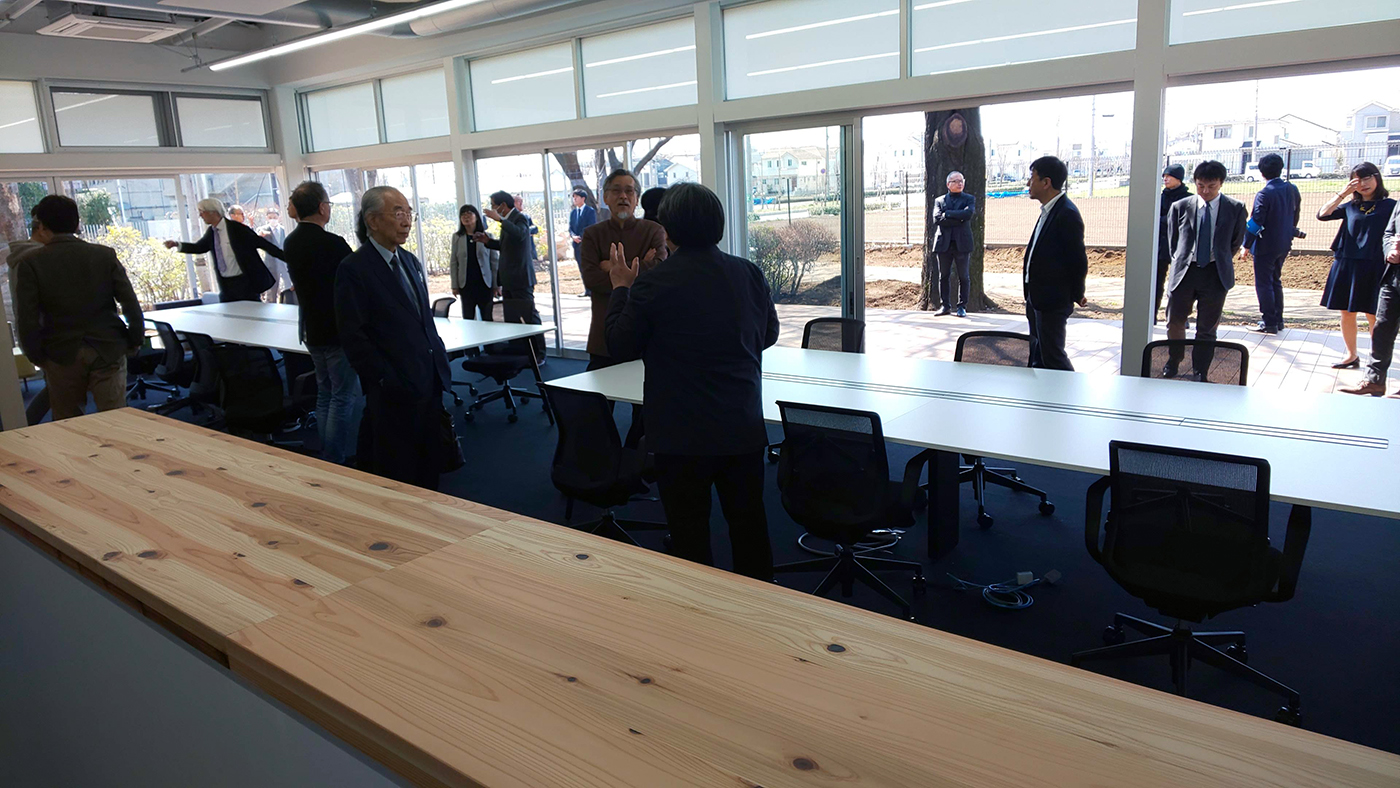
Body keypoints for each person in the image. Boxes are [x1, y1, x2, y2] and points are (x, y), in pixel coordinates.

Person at [604, 182, 778, 581]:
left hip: (680, 434)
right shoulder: (748, 272)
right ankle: (764, 605)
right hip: (741, 424)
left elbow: (619, 345)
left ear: (668, 229)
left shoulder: (653, 283)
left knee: (689, 533)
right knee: (750, 527)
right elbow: (768, 333)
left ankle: (699, 611)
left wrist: (620, 288)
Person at [334, 186, 451, 490]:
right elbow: (353, 335)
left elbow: (422, 321)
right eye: (398, 212)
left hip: (428, 379)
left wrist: (437, 359)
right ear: (372, 221)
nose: (406, 221)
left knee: (429, 465)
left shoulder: (410, 261)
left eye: (409, 213)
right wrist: (384, 378)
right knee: (398, 470)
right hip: (393, 389)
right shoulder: (354, 269)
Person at [12, 195, 144, 420]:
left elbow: (27, 316)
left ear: (42, 225)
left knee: (69, 421)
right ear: (76, 224)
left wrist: (35, 354)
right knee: (116, 418)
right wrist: (135, 338)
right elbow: (129, 301)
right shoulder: (104, 255)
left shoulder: (30, 262)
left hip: (60, 351)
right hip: (108, 346)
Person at [282, 181, 360, 464]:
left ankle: (328, 455)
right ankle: (335, 458)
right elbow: (357, 278)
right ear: (322, 207)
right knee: (342, 396)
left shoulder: (290, 242)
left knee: (325, 393)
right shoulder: (333, 243)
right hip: (337, 328)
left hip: (311, 328)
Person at [1162, 160, 1248, 378]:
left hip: (1215, 273)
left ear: (1221, 184)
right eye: (1201, 186)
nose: (1205, 191)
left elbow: (1235, 241)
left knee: (1207, 328)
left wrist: (1218, 258)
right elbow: (1174, 242)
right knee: (1175, 321)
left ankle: (1201, 370)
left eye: (1211, 186)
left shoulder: (1235, 208)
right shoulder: (1180, 207)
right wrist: (1182, 260)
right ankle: (1174, 360)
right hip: (1185, 272)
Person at [579, 168, 667, 370]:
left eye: (629, 191)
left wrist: (612, 268)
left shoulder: (654, 230)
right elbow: (591, 280)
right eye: (616, 190)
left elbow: (659, 276)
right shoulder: (593, 234)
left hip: (646, 334)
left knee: (646, 390)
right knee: (598, 390)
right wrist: (641, 264)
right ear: (605, 197)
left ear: (637, 199)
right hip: (603, 334)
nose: (623, 196)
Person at [1316, 162, 1394, 370]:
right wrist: (1343, 194)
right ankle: (1351, 356)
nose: (1363, 184)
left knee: (1374, 314)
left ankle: (1377, 359)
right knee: (1347, 312)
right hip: (1347, 263)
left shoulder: (1391, 206)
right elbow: (1322, 214)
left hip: (1376, 265)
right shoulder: (1350, 206)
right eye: (1357, 180)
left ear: (1377, 178)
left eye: (1367, 178)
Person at [1022, 156, 1088, 371]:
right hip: (1036, 297)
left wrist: (1077, 292)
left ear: (1046, 182)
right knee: (1038, 357)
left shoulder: (1066, 214)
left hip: (1052, 299)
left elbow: (1077, 259)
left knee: (1053, 357)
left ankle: (1070, 391)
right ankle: (1040, 392)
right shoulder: (1048, 210)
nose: (1028, 183)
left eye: (1032, 178)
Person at [164, 198, 281, 302]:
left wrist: (286, 257)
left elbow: (262, 244)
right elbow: (199, 247)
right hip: (226, 285)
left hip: (245, 283)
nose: (200, 216)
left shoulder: (237, 229)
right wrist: (177, 244)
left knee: (253, 314)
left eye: (202, 212)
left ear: (213, 212)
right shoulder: (212, 232)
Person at [1341, 199, 1400, 397]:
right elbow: (1389, 233)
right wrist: (1390, 251)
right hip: (1393, 278)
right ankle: (1374, 381)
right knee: (1382, 329)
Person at [479, 192, 545, 358]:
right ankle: (520, 352)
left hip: (521, 278)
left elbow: (521, 234)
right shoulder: (508, 222)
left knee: (529, 316)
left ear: (503, 205)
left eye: (494, 205)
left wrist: (500, 220)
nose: (493, 209)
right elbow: (506, 246)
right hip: (508, 278)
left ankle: (539, 353)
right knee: (512, 318)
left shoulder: (519, 218)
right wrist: (488, 242)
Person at [1242, 153, 1302, 334]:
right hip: (1284, 243)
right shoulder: (1292, 188)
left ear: (1261, 172)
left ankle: (1269, 322)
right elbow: (1296, 213)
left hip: (1265, 245)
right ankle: (1278, 320)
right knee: (1276, 280)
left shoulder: (1264, 194)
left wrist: (1246, 244)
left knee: (1264, 283)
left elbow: (1256, 221)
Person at [931, 171, 975, 317]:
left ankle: (962, 306)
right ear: (948, 184)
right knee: (943, 275)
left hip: (962, 243)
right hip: (944, 243)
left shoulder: (969, 199)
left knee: (964, 276)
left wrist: (948, 214)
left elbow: (968, 214)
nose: (959, 183)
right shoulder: (939, 200)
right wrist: (959, 217)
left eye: (961, 180)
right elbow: (937, 219)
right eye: (955, 181)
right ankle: (945, 305)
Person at [450, 204, 499, 321]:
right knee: (468, 318)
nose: (466, 217)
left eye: (469, 213)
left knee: (488, 318)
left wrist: (496, 285)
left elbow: (494, 262)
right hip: (466, 284)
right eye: (463, 215)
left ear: (476, 217)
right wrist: (454, 285)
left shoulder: (487, 236)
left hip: (485, 283)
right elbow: (454, 262)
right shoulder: (457, 237)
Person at [1156, 164, 1192, 320]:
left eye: (1169, 176)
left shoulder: (1189, 199)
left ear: (1179, 179)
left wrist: (1164, 220)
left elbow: (1184, 222)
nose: (1165, 179)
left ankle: (1179, 318)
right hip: (1160, 247)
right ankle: (1151, 314)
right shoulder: (1159, 197)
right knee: (1156, 282)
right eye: (1164, 176)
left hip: (1181, 247)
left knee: (1180, 284)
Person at [257, 207, 293, 305]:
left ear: (279, 217)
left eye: (275, 217)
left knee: (289, 285)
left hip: (284, 264)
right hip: (271, 264)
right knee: (272, 290)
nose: (273, 219)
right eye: (270, 217)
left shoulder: (284, 230)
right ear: (267, 218)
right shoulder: (263, 230)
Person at [567, 189, 597, 297]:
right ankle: (587, 290)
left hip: (586, 244)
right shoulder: (573, 212)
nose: (574, 199)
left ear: (583, 198)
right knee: (581, 267)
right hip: (576, 244)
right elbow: (570, 227)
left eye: (577, 197)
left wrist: (581, 237)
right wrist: (573, 236)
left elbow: (591, 226)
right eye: (573, 197)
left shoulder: (590, 211)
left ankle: (593, 289)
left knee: (589, 267)